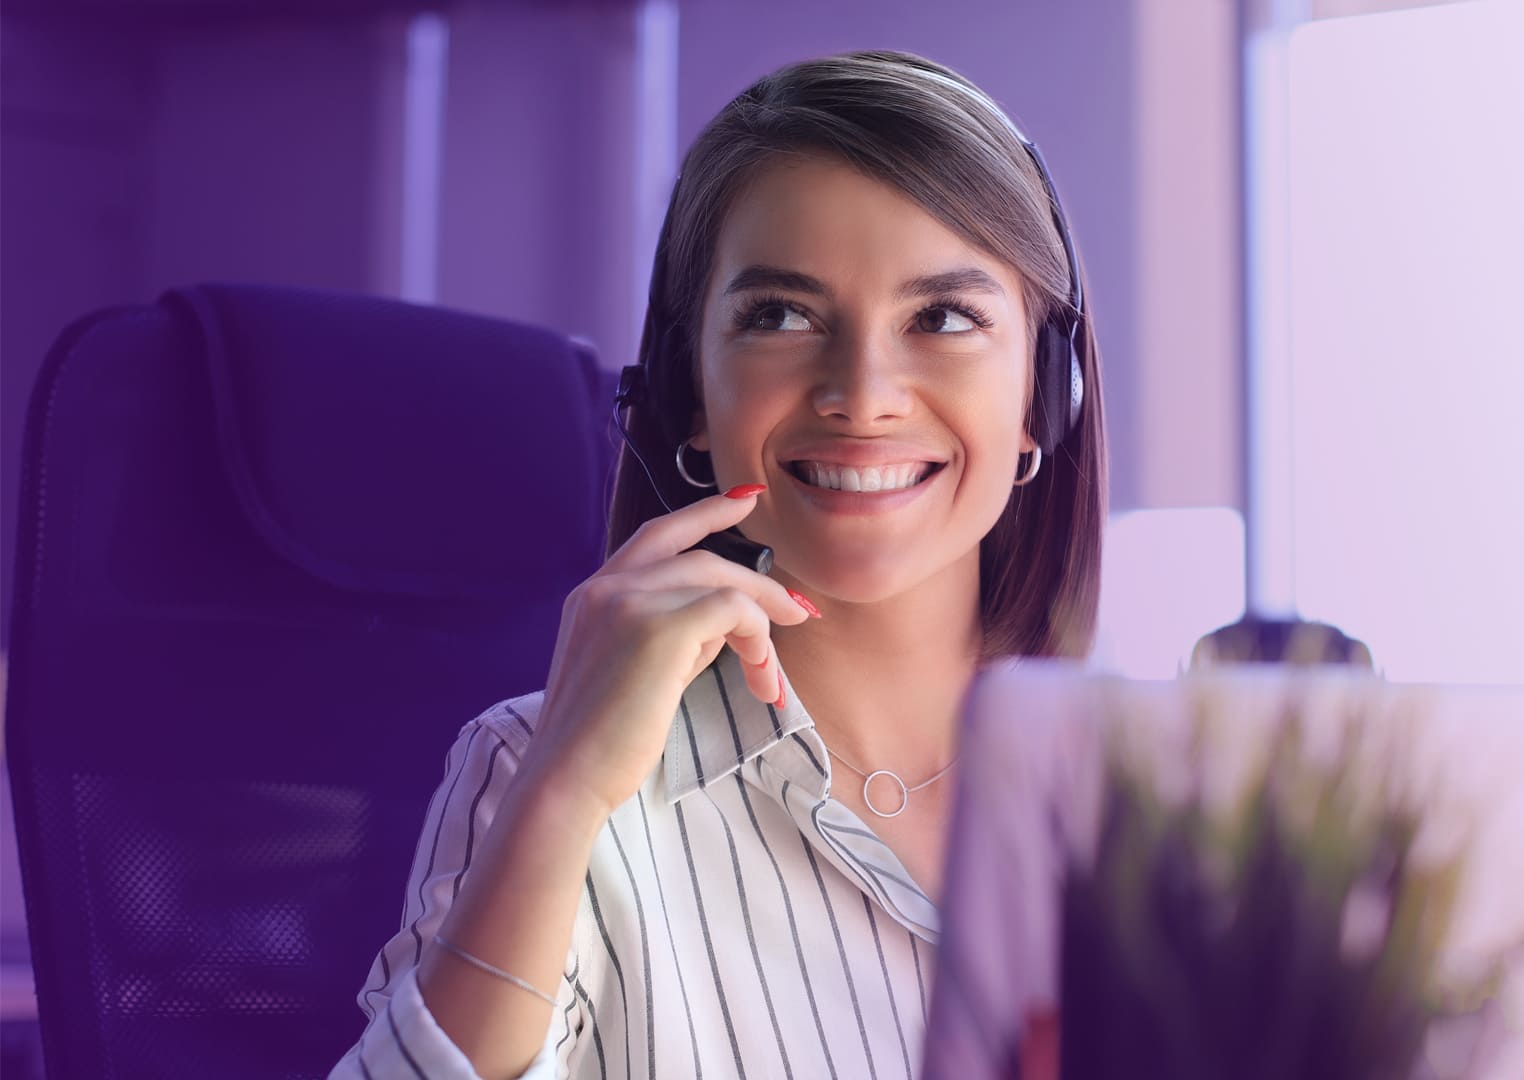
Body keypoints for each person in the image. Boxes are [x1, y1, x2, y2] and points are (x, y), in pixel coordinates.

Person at [332, 49, 1107, 1079]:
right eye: (780, 316)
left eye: (944, 318)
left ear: (1043, 400)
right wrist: (567, 795)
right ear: (690, 397)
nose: (863, 394)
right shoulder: (540, 770)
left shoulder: (1164, 799)